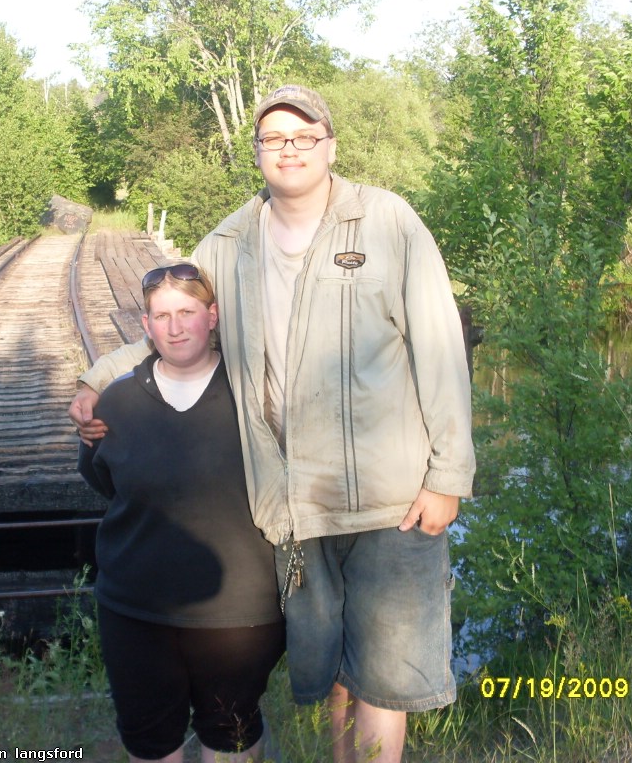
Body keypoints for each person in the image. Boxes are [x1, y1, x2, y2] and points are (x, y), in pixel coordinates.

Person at [71, 84, 476, 763]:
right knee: (337, 675)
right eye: (273, 139)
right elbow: (178, 318)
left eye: (303, 136)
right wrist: (98, 376)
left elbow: (438, 345)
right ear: (257, 152)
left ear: (329, 145)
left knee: (382, 680)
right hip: (293, 505)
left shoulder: (387, 221)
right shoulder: (231, 240)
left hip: (393, 499)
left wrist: (449, 475)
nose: (289, 149)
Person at [78, 263, 285, 763]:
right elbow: (102, 480)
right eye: (162, 315)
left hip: (239, 612)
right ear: (146, 327)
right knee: (150, 736)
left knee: (230, 731)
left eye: (187, 312)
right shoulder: (117, 400)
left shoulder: (256, 395)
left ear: (212, 317)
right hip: (135, 608)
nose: (175, 326)